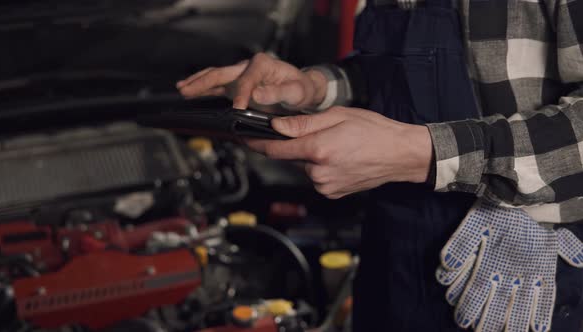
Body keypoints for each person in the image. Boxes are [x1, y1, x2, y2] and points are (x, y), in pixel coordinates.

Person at [176, 0, 583, 331]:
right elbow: (395, 73)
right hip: (393, 258)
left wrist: (420, 152)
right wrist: (313, 88)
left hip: (515, 267)